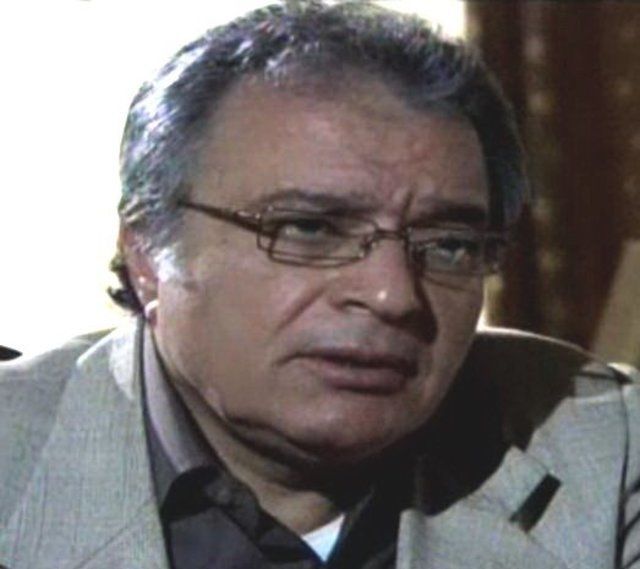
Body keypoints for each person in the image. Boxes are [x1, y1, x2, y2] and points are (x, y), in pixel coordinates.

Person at [1, 2, 639, 568]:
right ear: (145, 253)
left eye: (450, 245)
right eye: (309, 229)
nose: (393, 296)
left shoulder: (609, 449)